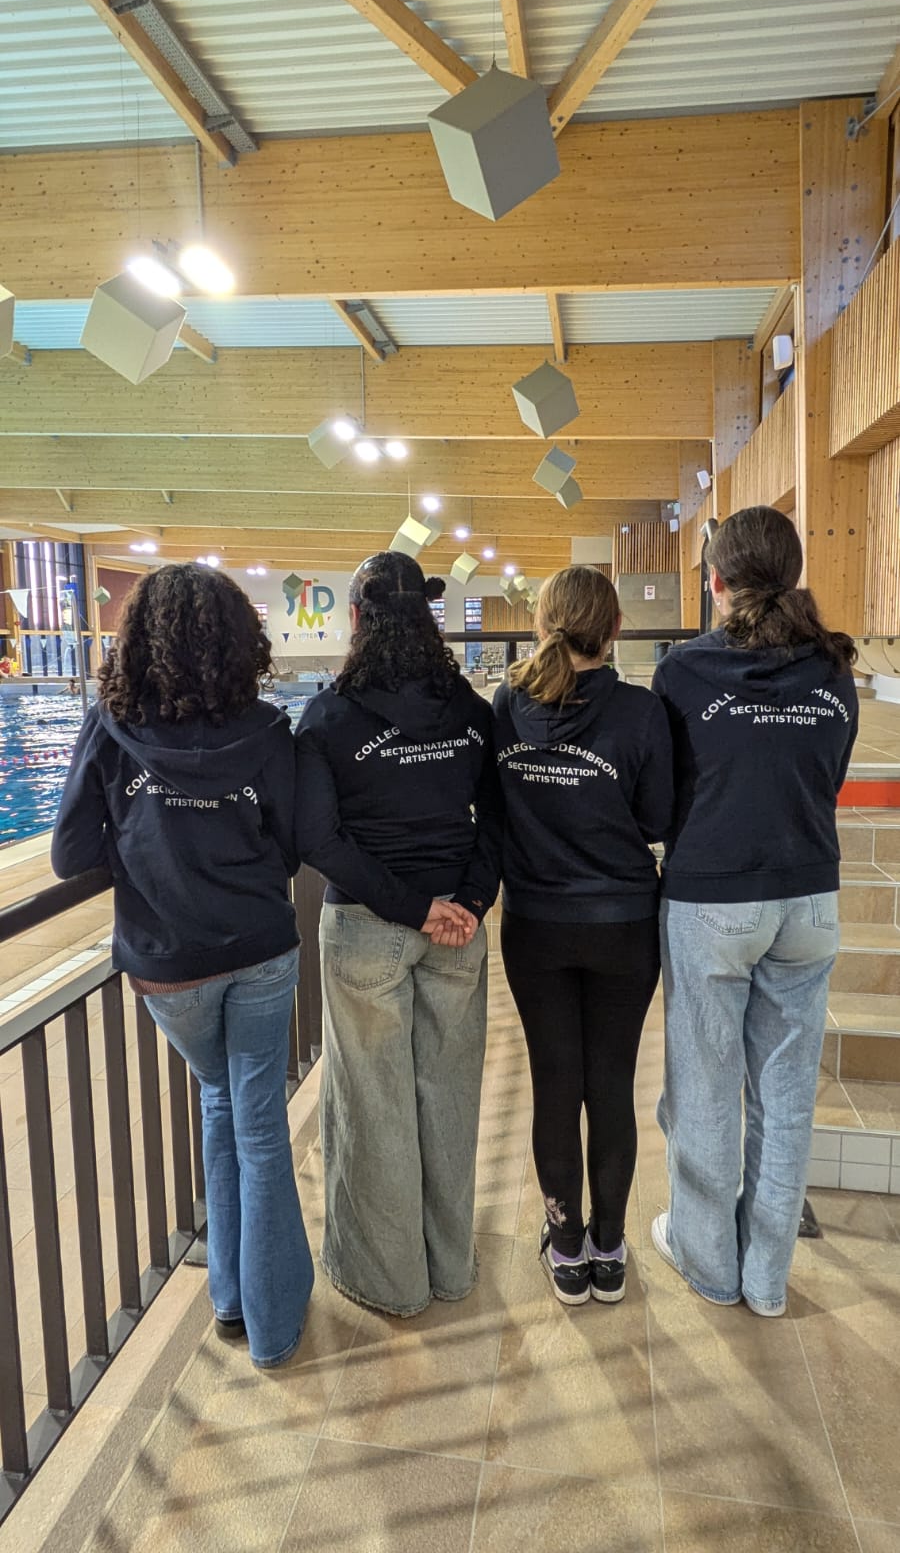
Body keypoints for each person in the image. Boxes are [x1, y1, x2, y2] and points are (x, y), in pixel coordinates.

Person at [51, 563, 313, 1368]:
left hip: (169, 965)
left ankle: (229, 1299)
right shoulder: (267, 730)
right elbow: (292, 845)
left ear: (139, 639)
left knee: (220, 1102)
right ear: (238, 641)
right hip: (259, 949)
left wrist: (149, 852)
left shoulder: (110, 728)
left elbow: (70, 855)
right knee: (258, 1122)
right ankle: (271, 1324)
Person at [651, 506, 858, 1317]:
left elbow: (664, 795)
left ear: (716, 581)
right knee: (786, 1094)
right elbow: (828, 777)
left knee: (704, 1088)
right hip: (808, 899)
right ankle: (767, 1278)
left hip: (713, 899)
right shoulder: (833, 667)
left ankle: (709, 1262)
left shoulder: (683, 671)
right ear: (792, 574)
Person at [294, 551, 502, 1317]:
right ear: (428, 620)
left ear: (356, 618)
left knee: (373, 1104)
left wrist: (411, 908)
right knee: (449, 1098)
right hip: (458, 928)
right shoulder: (469, 711)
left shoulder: (327, 718)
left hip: (366, 928)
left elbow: (319, 839)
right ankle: (450, 1267)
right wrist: (467, 901)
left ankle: (390, 1281)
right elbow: (498, 818)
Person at [493, 565, 674, 1306]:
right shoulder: (640, 712)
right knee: (610, 1086)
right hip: (622, 927)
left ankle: (566, 1250)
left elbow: (493, 806)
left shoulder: (507, 704)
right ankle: (609, 1249)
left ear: (541, 625)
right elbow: (657, 818)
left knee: (555, 1085)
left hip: (535, 925)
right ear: (617, 630)